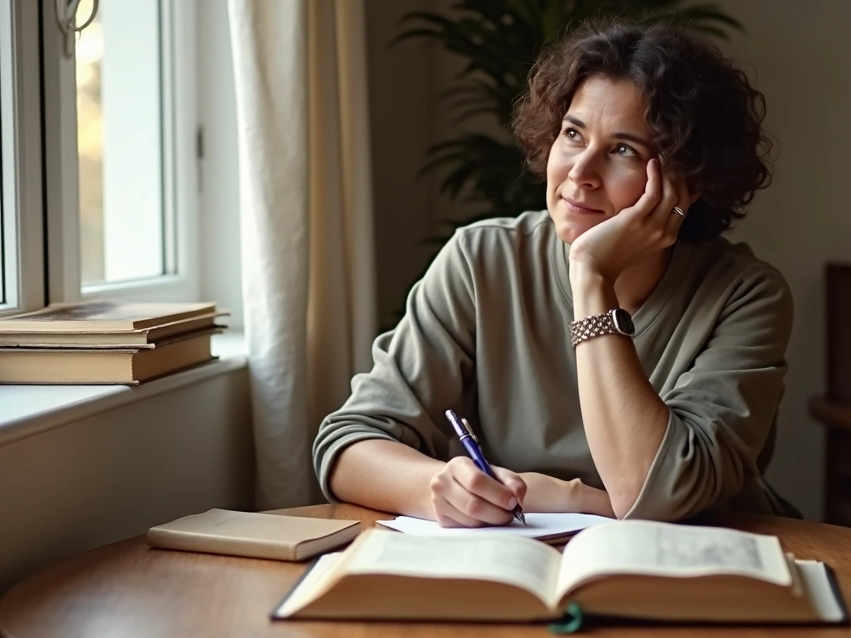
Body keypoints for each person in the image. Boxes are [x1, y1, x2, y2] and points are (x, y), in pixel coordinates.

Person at [313, 18, 797, 527]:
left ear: (688, 181)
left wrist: (591, 276)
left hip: (701, 574)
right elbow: (348, 445)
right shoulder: (482, 260)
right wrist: (437, 488)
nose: (579, 172)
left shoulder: (746, 295)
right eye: (573, 134)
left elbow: (655, 495)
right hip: (513, 560)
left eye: (623, 150)